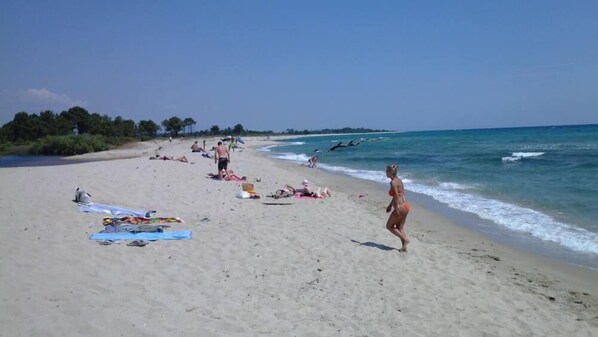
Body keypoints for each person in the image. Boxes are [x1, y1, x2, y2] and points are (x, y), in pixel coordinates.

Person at [385, 164, 410, 252]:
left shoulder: (393, 182)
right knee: (400, 228)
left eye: (386, 171)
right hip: (406, 205)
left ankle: (405, 239)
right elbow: (399, 194)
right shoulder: (399, 180)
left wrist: (396, 209)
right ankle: (404, 248)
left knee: (389, 226)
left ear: (390, 172)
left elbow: (395, 195)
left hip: (400, 207)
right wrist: (389, 205)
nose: (385, 172)